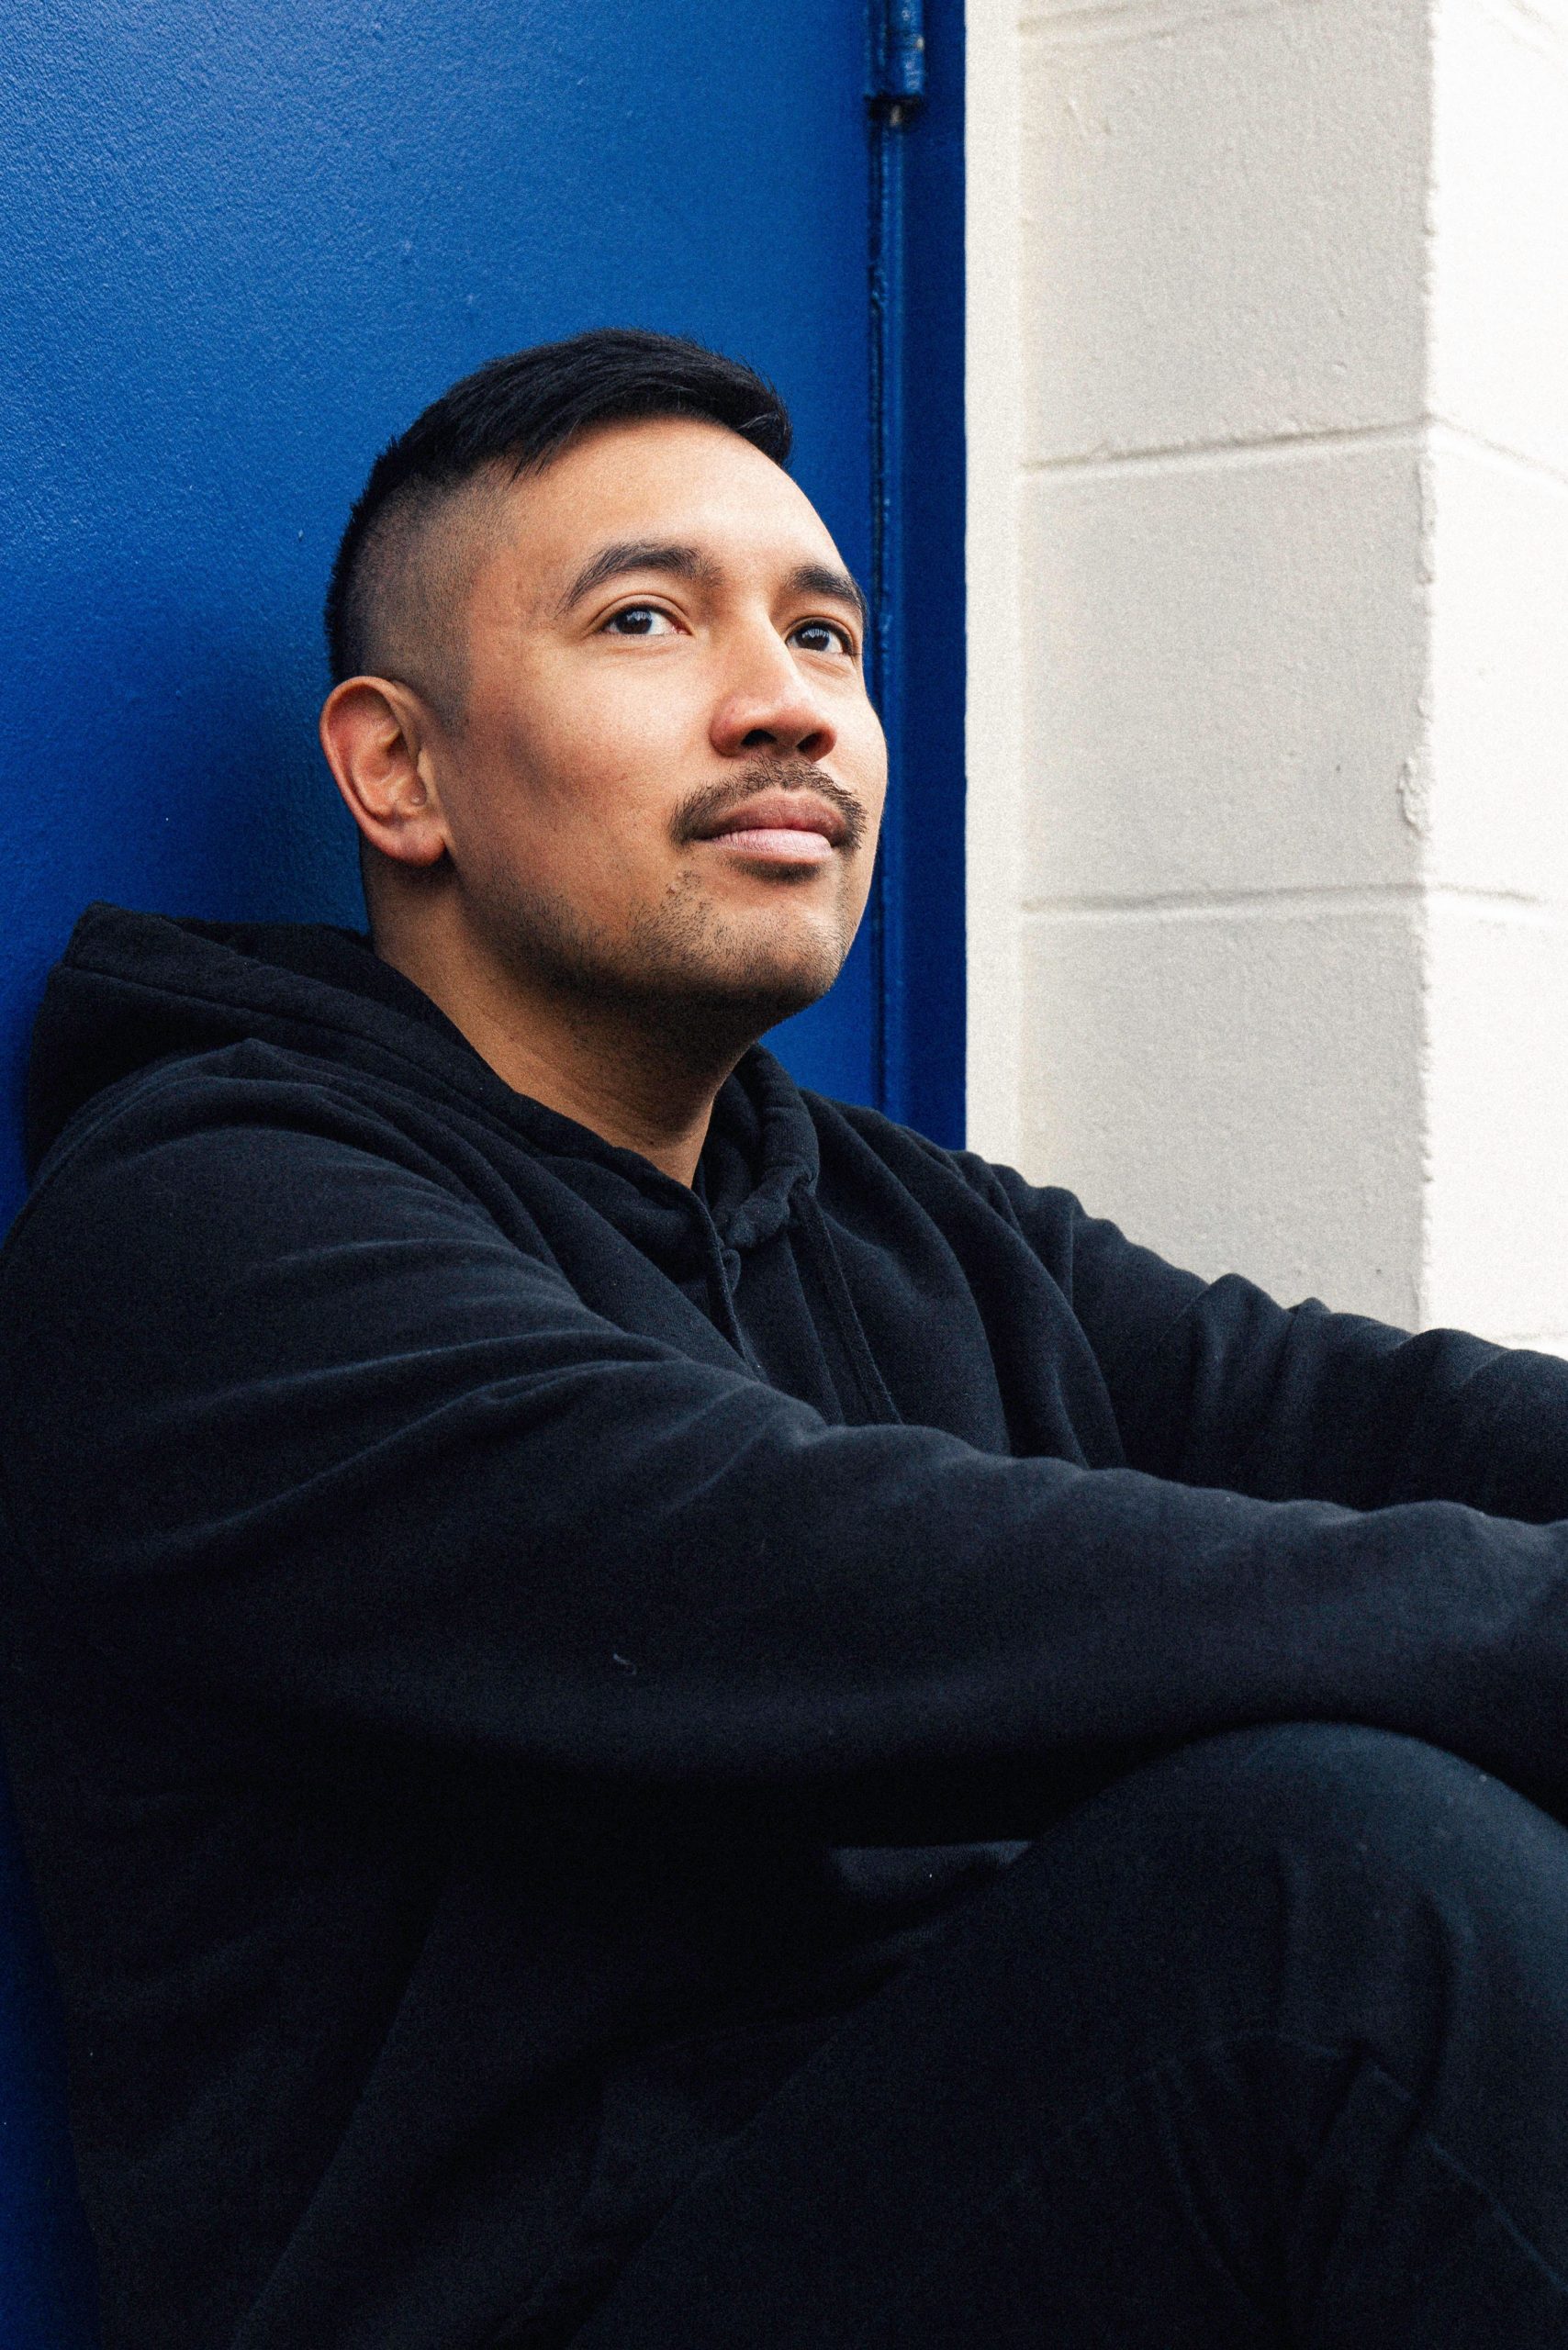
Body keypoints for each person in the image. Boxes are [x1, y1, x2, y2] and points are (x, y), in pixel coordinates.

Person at [4, 327, 1568, 2350]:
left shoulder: (888, 1213)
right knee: (1336, 1891)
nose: (788, 704)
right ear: (399, 771)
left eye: (825, 636)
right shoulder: (203, 1233)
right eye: (647, 620)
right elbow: (801, 1561)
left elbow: (1346, 1411)